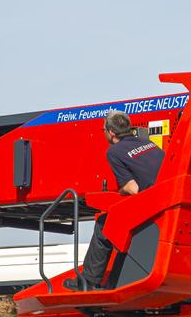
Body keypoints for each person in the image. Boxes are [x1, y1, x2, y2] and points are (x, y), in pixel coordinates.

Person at [69, 109, 165, 290]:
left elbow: (132, 189)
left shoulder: (114, 152)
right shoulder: (148, 143)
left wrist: (119, 191)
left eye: (104, 130)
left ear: (111, 132)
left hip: (151, 208)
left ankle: (88, 281)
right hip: (164, 201)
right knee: (120, 226)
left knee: (104, 224)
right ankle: (114, 281)